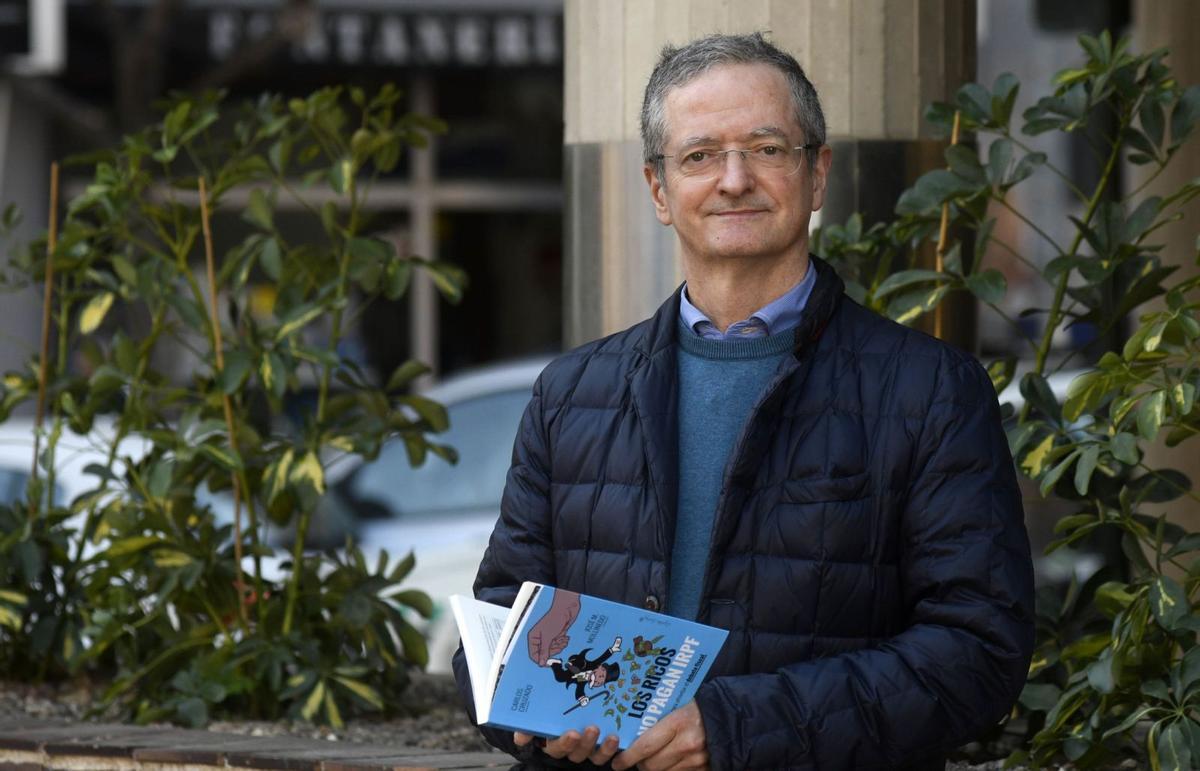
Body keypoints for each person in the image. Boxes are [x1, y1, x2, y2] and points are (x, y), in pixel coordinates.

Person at [453, 31, 1034, 771]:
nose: (734, 179)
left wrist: (734, 728)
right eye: (699, 155)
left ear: (817, 175)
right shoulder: (572, 394)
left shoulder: (930, 392)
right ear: (660, 190)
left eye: (767, 148)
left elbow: (977, 649)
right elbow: (499, 628)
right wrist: (530, 718)